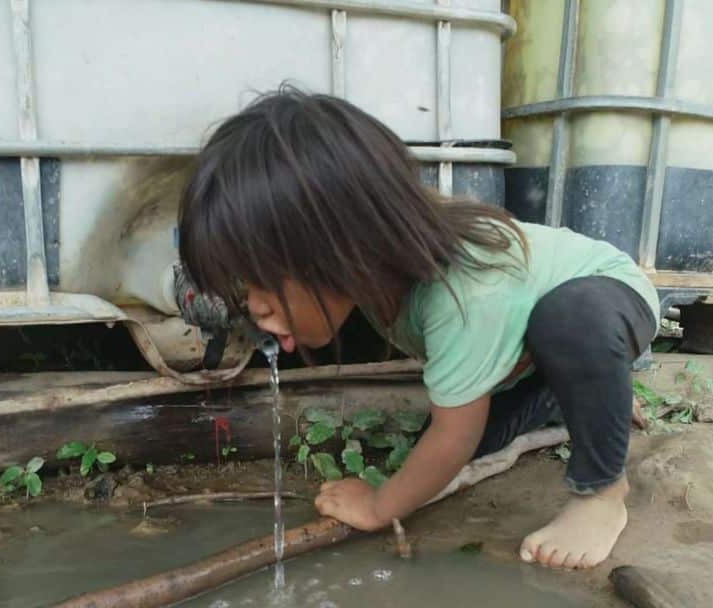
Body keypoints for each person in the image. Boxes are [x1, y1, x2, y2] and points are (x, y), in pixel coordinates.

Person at [178, 88, 659, 570]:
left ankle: (602, 492)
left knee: (551, 340)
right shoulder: (381, 272)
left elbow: (454, 440)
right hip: (525, 344)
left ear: (342, 250)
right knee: (456, 449)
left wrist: (379, 505)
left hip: (604, 299)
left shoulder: (467, 294)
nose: (256, 307)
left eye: (264, 282)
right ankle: (572, 396)